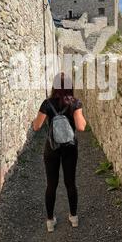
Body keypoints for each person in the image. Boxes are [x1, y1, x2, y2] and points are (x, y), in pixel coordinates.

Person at [33, 73, 87, 232]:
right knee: (70, 182)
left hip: (52, 148)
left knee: (51, 184)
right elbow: (81, 127)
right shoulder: (75, 103)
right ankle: (74, 217)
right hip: (70, 148)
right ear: (70, 86)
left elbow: (37, 126)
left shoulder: (47, 103)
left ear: (54, 86)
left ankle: (50, 221)